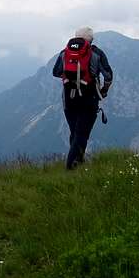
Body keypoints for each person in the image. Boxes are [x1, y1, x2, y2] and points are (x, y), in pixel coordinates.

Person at [52, 26, 113, 170]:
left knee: (75, 132)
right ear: (91, 40)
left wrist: (71, 77)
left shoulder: (65, 52)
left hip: (68, 99)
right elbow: (108, 76)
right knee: (82, 133)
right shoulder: (97, 53)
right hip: (89, 98)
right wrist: (103, 90)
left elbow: (56, 72)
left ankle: (78, 163)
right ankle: (71, 167)